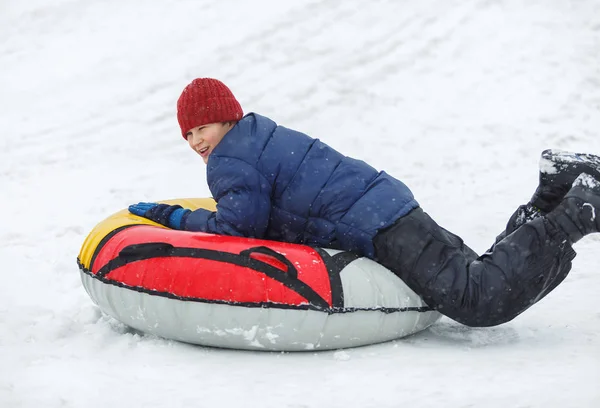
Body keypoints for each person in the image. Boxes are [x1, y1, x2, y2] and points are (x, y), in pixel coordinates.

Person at [129, 77, 600, 327]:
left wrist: (175, 218)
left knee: (479, 301)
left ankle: (579, 208)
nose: (195, 141)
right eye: (187, 134)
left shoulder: (230, 160)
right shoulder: (257, 136)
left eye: (201, 128)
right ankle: (554, 191)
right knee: (478, 271)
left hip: (378, 224)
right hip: (384, 205)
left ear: (225, 119)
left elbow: (238, 228)